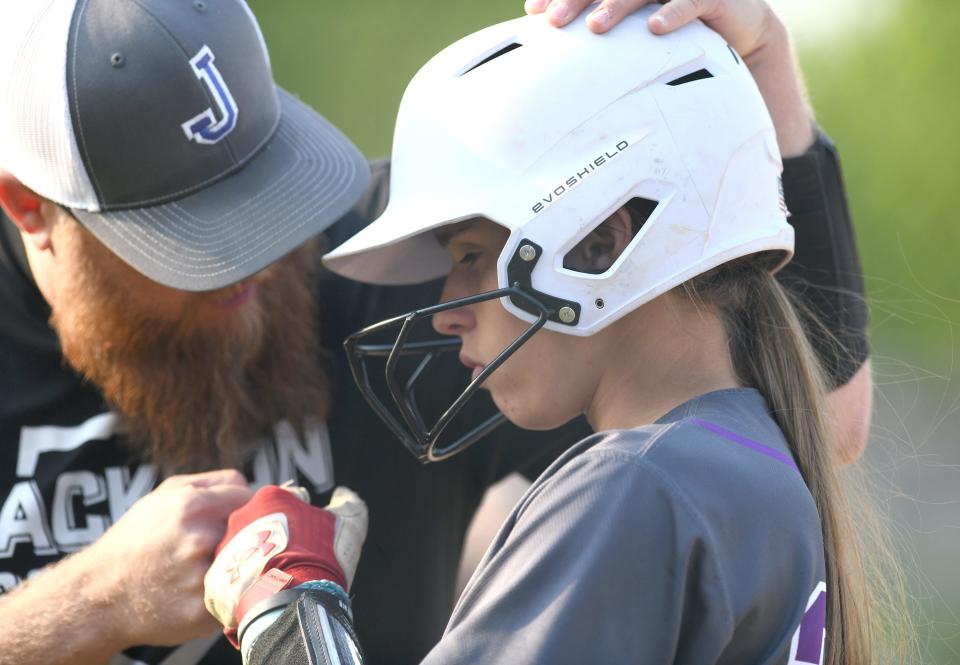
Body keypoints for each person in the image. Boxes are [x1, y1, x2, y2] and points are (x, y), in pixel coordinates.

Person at [0, 0, 869, 664]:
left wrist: (757, 68)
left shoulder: (619, 446)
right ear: (30, 210)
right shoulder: (664, 463)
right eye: (186, 236)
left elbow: (811, 417)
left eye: (259, 192)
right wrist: (90, 605)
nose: (250, 261)